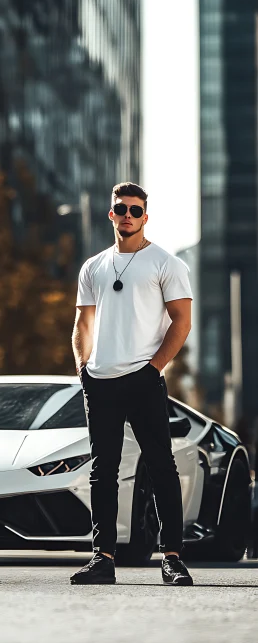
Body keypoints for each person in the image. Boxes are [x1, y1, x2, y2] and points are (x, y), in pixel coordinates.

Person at [70, 182, 194, 586]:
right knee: (102, 472)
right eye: (121, 208)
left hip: (143, 378)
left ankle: (172, 558)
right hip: (100, 382)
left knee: (161, 466)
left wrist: (154, 367)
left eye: (135, 210)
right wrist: (82, 368)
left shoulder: (166, 263)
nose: (127, 215)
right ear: (111, 214)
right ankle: (102, 558)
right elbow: (83, 324)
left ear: (145, 216)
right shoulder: (93, 267)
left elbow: (182, 321)